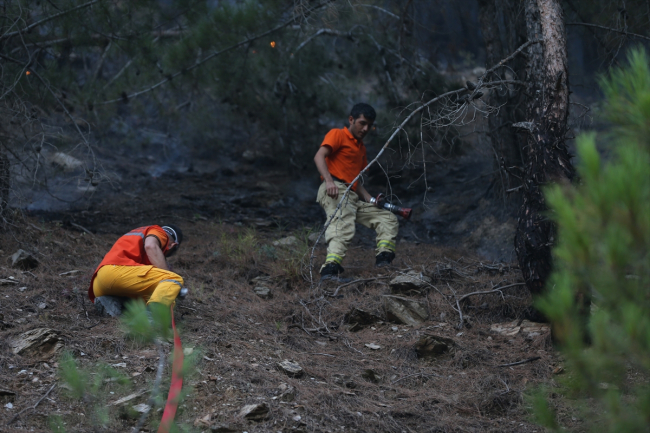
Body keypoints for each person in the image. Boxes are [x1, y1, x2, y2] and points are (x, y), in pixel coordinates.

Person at [314, 103, 399, 280]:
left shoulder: (361, 149)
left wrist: (371, 200)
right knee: (342, 221)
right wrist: (329, 181)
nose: (366, 128)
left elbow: (355, 182)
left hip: (351, 195)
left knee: (387, 217)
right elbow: (319, 156)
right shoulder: (337, 134)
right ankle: (330, 269)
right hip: (334, 189)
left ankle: (383, 261)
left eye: (370, 125)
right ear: (351, 120)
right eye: (362, 123)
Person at [88, 224, 185, 316]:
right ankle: (153, 319)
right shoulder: (158, 232)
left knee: (151, 297)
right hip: (117, 273)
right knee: (173, 279)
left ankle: (113, 302)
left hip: (100, 283)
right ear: (172, 245)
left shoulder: (139, 236)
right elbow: (150, 246)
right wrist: (172, 284)